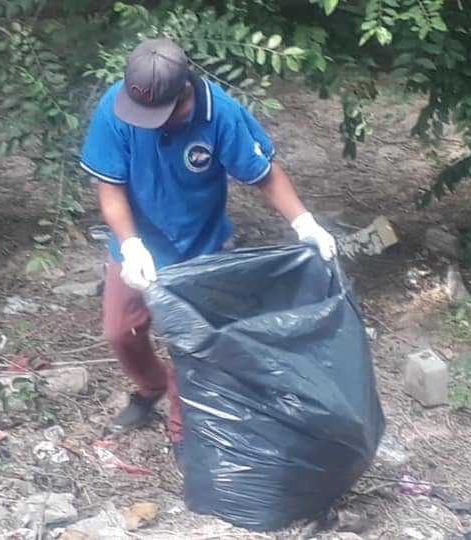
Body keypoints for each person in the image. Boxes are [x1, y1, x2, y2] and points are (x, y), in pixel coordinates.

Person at [78, 37, 337, 465]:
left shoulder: (221, 115)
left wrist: (304, 223)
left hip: (199, 249)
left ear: (183, 92)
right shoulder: (117, 108)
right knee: (118, 331)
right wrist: (130, 244)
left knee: (192, 347)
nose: (146, 122)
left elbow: (263, 173)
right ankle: (150, 386)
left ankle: (185, 432)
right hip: (138, 244)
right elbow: (111, 188)